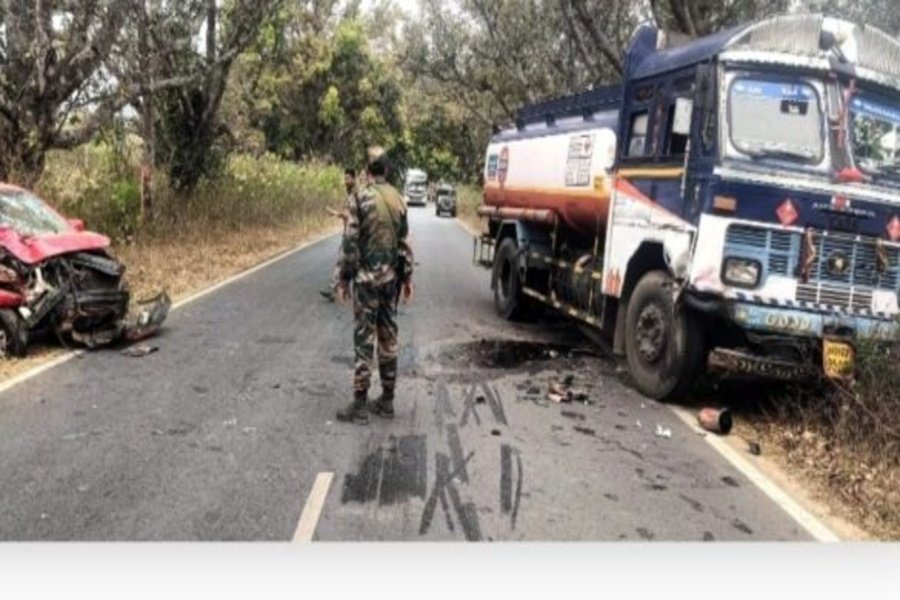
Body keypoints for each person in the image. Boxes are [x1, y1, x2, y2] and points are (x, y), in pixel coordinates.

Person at [334, 149, 414, 424]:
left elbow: (350, 242)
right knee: (388, 338)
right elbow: (404, 244)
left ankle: (359, 405)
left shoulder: (360, 198)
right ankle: (387, 401)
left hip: (366, 282)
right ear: (386, 171)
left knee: (364, 339)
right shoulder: (399, 199)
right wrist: (407, 279)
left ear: (367, 172)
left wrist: (343, 279)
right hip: (391, 282)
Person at [319, 168, 358, 302]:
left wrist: (335, 213)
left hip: (353, 235)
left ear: (354, 179)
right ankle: (336, 289)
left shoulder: (356, 195)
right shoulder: (350, 195)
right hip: (348, 233)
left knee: (344, 261)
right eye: (345, 178)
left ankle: (336, 288)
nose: (345, 181)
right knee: (344, 261)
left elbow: (350, 216)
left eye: (348, 178)